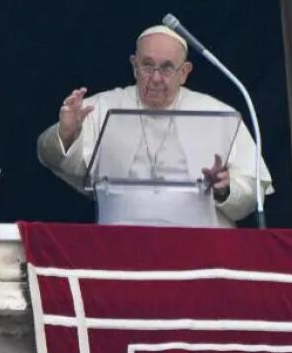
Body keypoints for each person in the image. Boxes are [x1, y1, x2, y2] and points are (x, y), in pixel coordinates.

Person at [36, 25, 272, 227]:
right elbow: (50, 155)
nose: (156, 78)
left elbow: (253, 189)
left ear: (185, 72)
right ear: (134, 65)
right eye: (148, 66)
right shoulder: (102, 107)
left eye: (167, 68)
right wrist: (66, 134)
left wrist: (225, 189)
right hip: (122, 251)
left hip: (203, 254)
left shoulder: (218, 114)